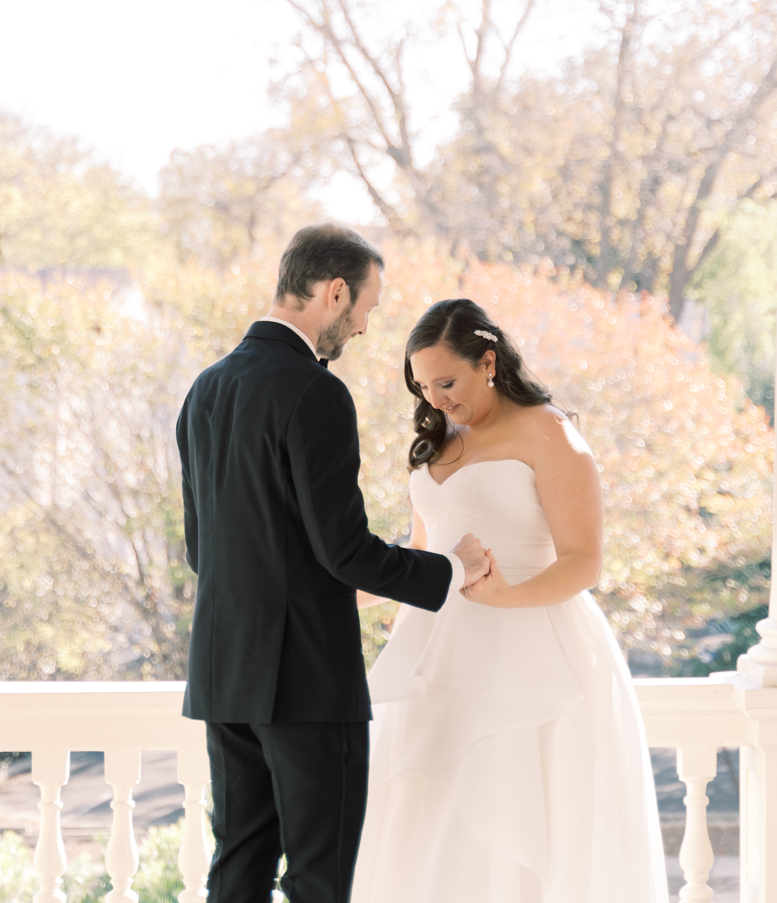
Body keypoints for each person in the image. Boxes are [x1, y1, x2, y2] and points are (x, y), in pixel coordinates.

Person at [176, 224, 490, 903]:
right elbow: (344, 551)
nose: (365, 328)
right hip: (309, 683)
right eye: (366, 309)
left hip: (224, 673)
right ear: (335, 291)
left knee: (237, 869)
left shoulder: (204, 390)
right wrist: (451, 567)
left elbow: (202, 550)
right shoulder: (314, 392)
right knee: (323, 880)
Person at [351, 297, 668, 903]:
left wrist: (509, 596)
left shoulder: (549, 430)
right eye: (422, 387)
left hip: (529, 648)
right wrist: (333, 597)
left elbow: (584, 559)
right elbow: (421, 555)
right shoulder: (437, 437)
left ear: (488, 361)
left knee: (513, 814)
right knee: (430, 825)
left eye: (447, 382)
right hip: (437, 654)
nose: (435, 400)